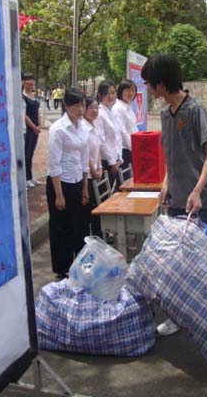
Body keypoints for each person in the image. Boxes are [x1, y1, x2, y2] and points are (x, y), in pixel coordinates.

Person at [141, 53, 207, 336]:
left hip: (203, 199)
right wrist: (166, 183)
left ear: (162, 83)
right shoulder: (166, 114)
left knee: (203, 260)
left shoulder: (195, 110)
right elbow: (172, 155)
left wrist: (198, 190)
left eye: (151, 84)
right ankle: (180, 314)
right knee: (178, 261)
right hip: (177, 199)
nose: (150, 90)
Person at [46, 88, 90, 279]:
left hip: (77, 180)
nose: (81, 109)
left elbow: (84, 159)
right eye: (76, 105)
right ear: (66, 106)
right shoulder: (58, 129)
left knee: (77, 225)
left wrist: (85, 187)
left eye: (83, 104)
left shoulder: (83, 127)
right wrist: (59, 194)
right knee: (60, 226)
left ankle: (77, 264)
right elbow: (54, 164)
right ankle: (62, 268)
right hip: (60, 182)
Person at [81, 97, 103, 238]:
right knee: (89, 212)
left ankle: (98, 238)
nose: (94, 111)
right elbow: (85, 153)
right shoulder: (83, 128)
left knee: (97, 210)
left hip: (95, 174)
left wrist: (100, 167)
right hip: (87, 177)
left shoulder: (94, 127)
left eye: (96, 107)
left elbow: (97, 150)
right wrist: (94, 171)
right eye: (91, 108)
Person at [95, 81, 123, 190]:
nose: (110, 96)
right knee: (105, 194)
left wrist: (119, 158)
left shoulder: (112, 111)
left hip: (115, 160)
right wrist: (112, 163)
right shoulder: (100, 113)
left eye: (112, 93)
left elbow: (118, 137)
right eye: (106, 94)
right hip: (106, 162)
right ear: (100, 95)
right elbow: (101, 141)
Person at [113, 79, 138, 179]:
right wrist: (134, 148)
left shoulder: (128, 107)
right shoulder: (118, 108)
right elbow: (122, 131)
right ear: (121, 91)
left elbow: (133, 128)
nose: (130, 93)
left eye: (132, 90)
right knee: (125, 181)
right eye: (127, 90)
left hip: (130, 149)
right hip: (124, 150)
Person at [22, 73, 41, 189]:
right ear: (23, 81)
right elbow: (24, 115)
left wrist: (39, 125)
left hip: (35, 129)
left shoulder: (33, 95)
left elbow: (37, 112)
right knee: (26, 154)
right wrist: (34, 127)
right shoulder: (22, 97)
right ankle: (26, 178)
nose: (31, 82)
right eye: (28, 80)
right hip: (28, 129)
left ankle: (30, 176)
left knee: (31, 153)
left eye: (32, 79)